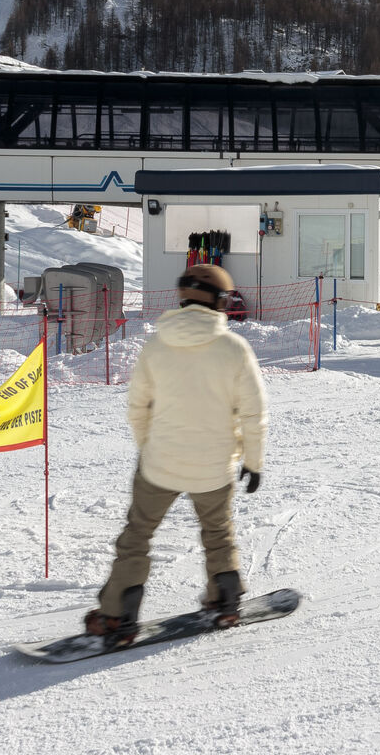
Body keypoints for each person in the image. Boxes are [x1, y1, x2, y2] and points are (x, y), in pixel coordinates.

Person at [87, 264, 267, 646]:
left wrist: (149, 449)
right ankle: (226, 599)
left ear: (182, 298)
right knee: (217, 533)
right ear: (220, 302)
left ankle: (118, 615)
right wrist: (253, 462)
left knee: (137, 536)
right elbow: (253, 413)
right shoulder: (234, 348)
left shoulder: (155, 345)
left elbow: (138, 409)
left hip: (160, 463)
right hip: (215, 467)